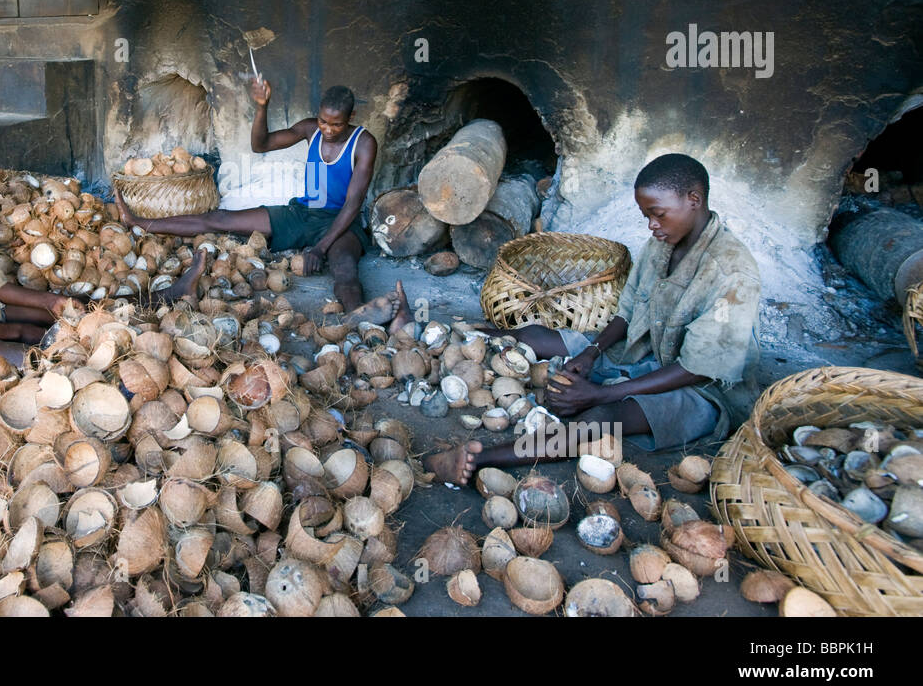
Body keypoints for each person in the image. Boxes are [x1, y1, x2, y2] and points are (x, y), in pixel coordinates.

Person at [425, 153, 762, 486]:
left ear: (694, 200)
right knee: (538, 337)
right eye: (646, 216)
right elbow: (628, 311)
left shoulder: (732, 273)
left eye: (658, 215)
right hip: (646, 353)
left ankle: (481, 458)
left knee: (601, 419)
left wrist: (600, 395)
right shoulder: (662, 244)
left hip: (700, 390)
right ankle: (441, 334)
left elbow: (696, 367)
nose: (652, 226)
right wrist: (591, 353)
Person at [0, 135, 209, 383]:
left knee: (76, 311)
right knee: (42, 363)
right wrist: (15, 330)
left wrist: (53, 301)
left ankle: (164, 295)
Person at [115, 75, 412, 331]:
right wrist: (262, 106)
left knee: (344, 266)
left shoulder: (364, 143)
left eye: (336, 124)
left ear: (351, 117)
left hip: (341, 222)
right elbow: (261, 144)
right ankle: (139, 221)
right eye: (323, 121)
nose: (328, 129)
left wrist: (320, 248)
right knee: (220, 219)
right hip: (302, 213)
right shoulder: (310, 129)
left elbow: (352, 203)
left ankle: (358, 315)